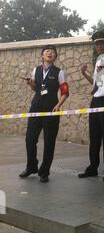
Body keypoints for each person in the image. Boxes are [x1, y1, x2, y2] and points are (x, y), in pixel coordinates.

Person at [19, 45, 69, 183]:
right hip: (35, 108)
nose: (50, 53)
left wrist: (58, 105)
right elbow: (35, 88)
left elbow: (65, 92)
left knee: (49, 142)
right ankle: (31, 167)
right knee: (30, 139)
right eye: (47, 51)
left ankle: (44, 172)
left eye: (53, 52)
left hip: (51, 110)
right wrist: (30, 84)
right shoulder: (36, 70)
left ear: (55, 57)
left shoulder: (60, 72)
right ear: (42, 56)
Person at [78, 31, 104, 181]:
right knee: (94, 137)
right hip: (95, 100)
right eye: (97, 44)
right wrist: (85, 74)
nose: (99, 46)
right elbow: (96, 84)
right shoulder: (98, 61)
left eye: (102, 43)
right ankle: (92, 168)